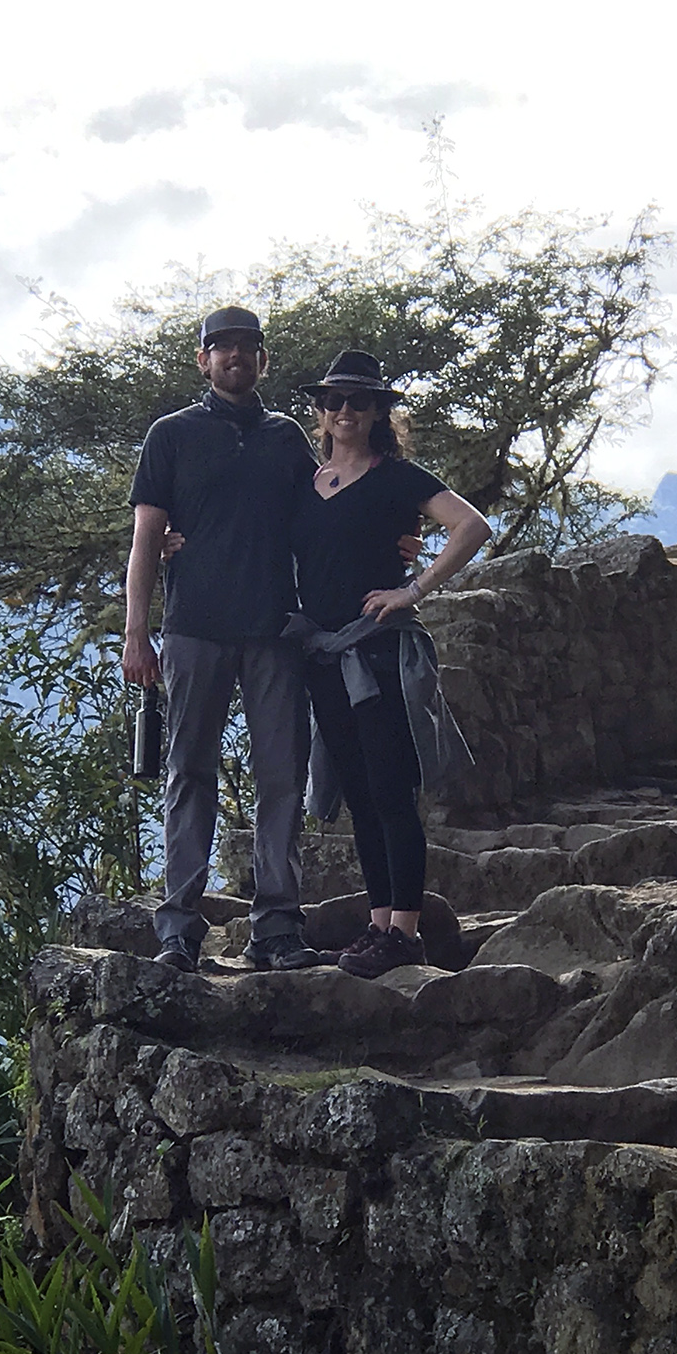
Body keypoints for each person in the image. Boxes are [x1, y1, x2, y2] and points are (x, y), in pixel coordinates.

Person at [122, 306, 328, 974]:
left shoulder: (285, 437)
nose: (235, 356)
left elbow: (325, 520)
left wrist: (397, 541)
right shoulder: (171, 435)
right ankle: (178, 931)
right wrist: (136, 634)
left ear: (263, 359)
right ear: (203, 359)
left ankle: (277, 929)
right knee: (188, 774)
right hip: (193, 630)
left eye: (246, 346)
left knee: (282, 777)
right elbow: (146, 539)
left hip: (274, 631)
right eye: (222, 347)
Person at [283, 349, 490, 979]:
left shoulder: (397, 477)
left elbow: (471, 526)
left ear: (378, 412)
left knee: (391, 789)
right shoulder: (305, 485)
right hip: (325, 655)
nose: (345, 411)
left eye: (359, 401)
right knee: (360, 794)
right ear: (320, 410)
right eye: (334, 400)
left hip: (378, 651)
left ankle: (405, 931)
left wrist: (413, 589)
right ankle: (379, 925)